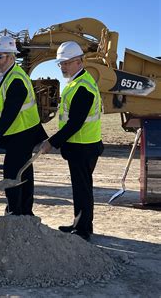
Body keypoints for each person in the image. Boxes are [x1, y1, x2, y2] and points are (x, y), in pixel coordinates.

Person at [40, 41, 103, 241]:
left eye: (67, 63)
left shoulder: (83, 87)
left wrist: (52, 142)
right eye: (61, 64)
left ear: (80, 62)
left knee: (82, 189)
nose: (63, 67)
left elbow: (75, 123)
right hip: (80, 145)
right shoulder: (77, 82)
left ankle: (83, 230)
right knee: (80, 187)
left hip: (84, 146)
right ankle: (80, 224)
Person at [0, 36, 47, 216]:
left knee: (12, 175)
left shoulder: (16, 79)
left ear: (11, 57)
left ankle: (15, 213)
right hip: (20, 134)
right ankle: (24, 212)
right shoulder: (8, 76)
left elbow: (9, 115)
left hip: (21, 134)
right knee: (23, 174)